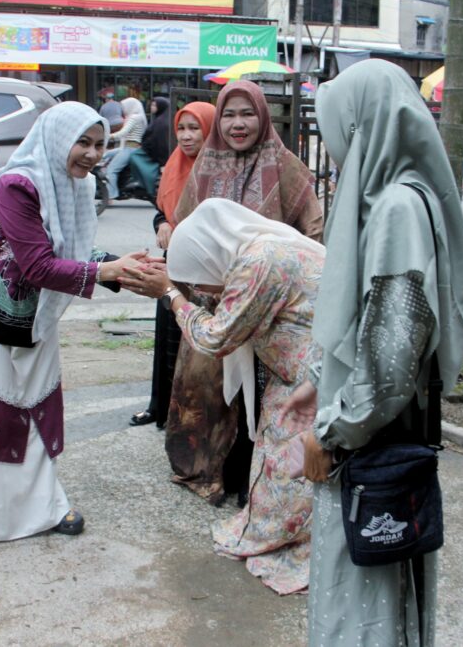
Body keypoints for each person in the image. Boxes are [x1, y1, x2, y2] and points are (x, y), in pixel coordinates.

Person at [281, 60, 463, 645]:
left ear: (361, 126)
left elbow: (392, 360)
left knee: (364, 590)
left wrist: (332, 432)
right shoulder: (398, 198)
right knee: (375, 586)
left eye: (338, 128)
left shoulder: (395, 209)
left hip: (371, 437)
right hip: (374, 426)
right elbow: (370, 322)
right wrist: (319, 379)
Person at [0, 102, 146, 542]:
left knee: (37, 408)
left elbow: (70, 251)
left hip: (34, 316)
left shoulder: (76, 185)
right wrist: (107, 272)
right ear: (56, 140)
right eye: (83, 142)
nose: (92, 154)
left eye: (100, 144)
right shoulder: (17, 185)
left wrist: (125, 268)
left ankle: (45, 507)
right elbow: (38, 265)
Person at [120, 197, 324, 595]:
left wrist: (171, 295)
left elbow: (215, 338)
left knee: (296, 472)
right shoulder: (261, 248)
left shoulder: (259, 262)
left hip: (312, 383)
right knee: (286, 468)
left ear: (208, 255)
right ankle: (293, 534)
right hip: (303, 376)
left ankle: (301, 543)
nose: (199, 289)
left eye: (196, 279)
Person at [165, 79, 323, 507]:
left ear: (263, 117)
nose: (238, 124)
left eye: (247, 113)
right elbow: (185, 226)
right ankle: (204, 469)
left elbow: (312, 231)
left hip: (269, 303)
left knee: (261, 391)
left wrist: (275, 276)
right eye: (229, 114)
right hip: (211, 299)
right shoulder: (205, 164)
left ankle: (249, 477)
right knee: (205, 388)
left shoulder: (286, 166)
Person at [129, 100, 216, 428]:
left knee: (196, 339)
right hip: (175, 262)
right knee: (167, 335)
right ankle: (160, 406)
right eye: (181, 128)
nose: (186, 135)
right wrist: (162, 224)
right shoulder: (174, 164)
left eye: (195, 128)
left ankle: (191, 415)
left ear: (209, 131)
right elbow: (162, 210)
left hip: (207, 268)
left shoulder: (218, 172)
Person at [103, 97, 146, 201]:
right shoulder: (140, 117)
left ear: (130, 107)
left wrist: (108, 136)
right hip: (131, 147)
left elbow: (123, 133)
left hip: (129, 148)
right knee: (106, 155)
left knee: (111, 170)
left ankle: (111, 196)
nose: (123, 110)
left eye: (124, 107)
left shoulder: (134, 118)